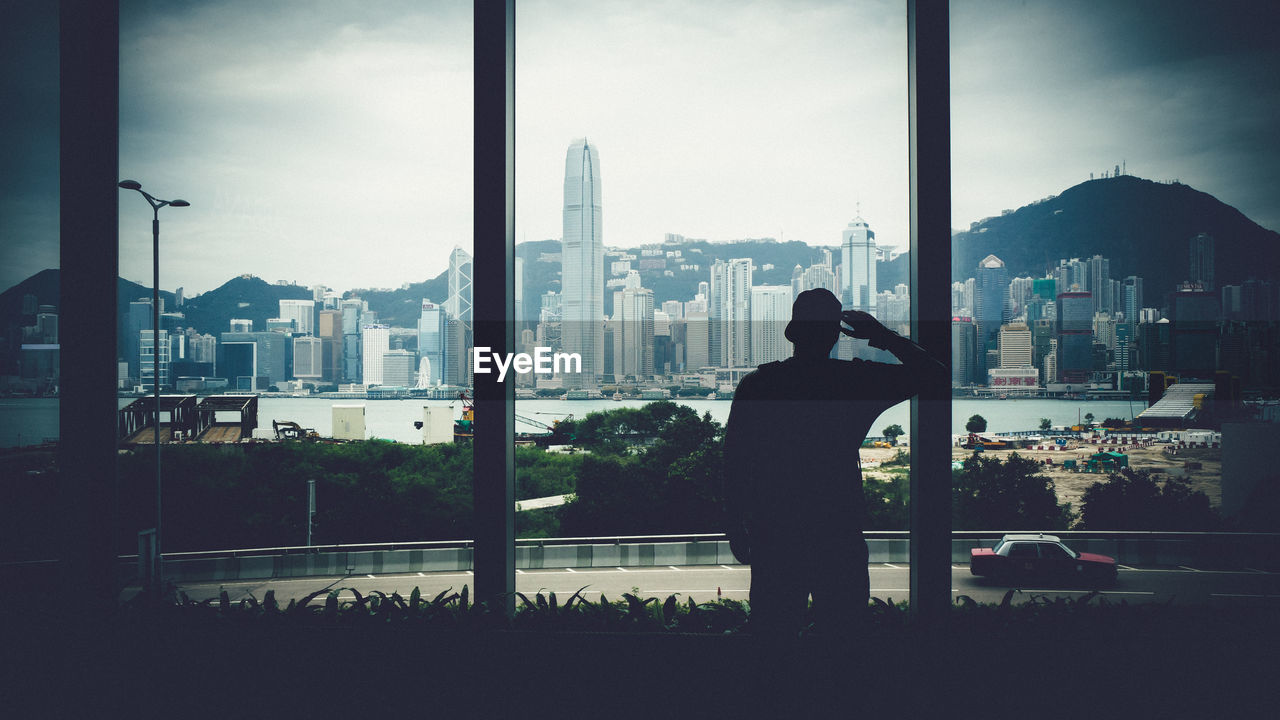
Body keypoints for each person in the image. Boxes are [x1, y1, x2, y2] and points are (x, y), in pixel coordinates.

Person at [723, 287, 946, 637]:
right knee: (843, 633)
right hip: (837, 527)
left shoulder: (759, 384)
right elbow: (933, 373)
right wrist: (881, 335)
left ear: (791, 332)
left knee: (772, 632)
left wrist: (736, 524)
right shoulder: (855, 381)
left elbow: (734, 460)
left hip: (776, 526)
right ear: (836, 334)